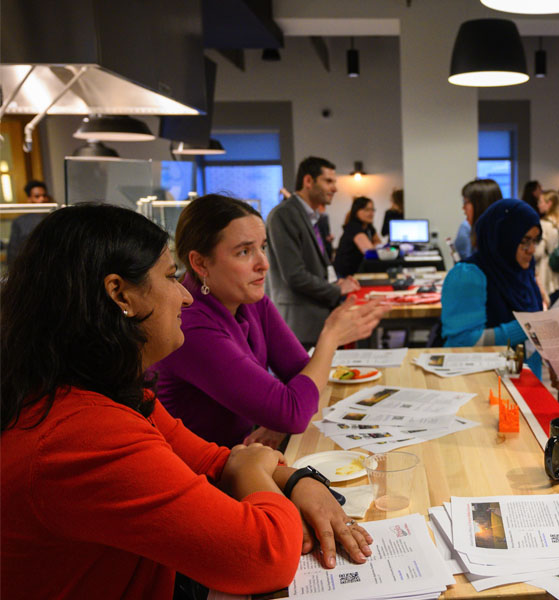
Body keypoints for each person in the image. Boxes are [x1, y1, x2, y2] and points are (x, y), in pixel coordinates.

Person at [0, 204, 374, 600]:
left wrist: (299, 479)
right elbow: (266, 558)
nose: (185, 296)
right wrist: (253, 470)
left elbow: (216, 461)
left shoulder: (109, 392)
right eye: (170, 277)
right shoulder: (82, 435)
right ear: (119, 294)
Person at [151, 194, 388, 448]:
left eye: (262, 248)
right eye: (244, 252)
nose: (263, 264)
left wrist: (279, 420)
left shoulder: (251, 300)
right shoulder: (189, 326)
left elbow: (301, 373)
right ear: (200, 263)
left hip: (244, 454)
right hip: (204, 474)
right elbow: (294, 411)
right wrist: (330, 337)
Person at [442, 199, 543, 374]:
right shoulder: (468, 275)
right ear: (504, 238)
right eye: (525, 241)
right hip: (481, 380)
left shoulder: (521, 270)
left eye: (535, 240)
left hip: (523, 377)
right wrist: (531, 326)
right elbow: (463, 340)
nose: (531, 250)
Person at [267, 156, 361, 347]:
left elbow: (316, 265)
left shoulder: (311, 216)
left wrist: (336, 281)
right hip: (300, 323)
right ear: (308, 181)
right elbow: (294, 275)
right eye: (328, 181)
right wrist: (336, 289)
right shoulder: (284, 214)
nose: (334, 188)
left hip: (317, 317)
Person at [454, 178, 502, 260]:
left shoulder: (500, 241)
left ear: (481, 205)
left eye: (466, 202)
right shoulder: (481, 234)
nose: (463, 207)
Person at [334, 196, 382, 278]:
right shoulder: (353, 227)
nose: (371, 213)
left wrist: (375, 246)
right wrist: (375, 247)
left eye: (372, 210)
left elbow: (378, 243)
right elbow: (369, 252)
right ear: (356, 211)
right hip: (344, 275)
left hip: (356, 272)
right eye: (367, 210)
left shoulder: (369, 227)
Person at [6, 179, 51, 266]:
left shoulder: (53, 217)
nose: (42, 199)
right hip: (27, 265)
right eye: (37, 196)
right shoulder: (20, 222)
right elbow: (13, 250)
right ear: (30, 199)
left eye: (44, 195)